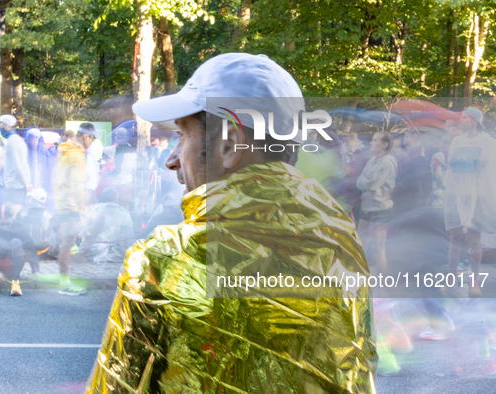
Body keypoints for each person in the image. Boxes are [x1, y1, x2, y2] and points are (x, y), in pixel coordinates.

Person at [85, 53, 376, 393]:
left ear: (228, 146)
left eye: (182, 136)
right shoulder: (341, 247)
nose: (172, 160)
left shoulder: (160, 263)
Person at [444, 107, 496, 296]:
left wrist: (480, 161)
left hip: (477, 194)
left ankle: (474, 282)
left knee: (473, 238)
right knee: (454, 237)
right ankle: (451, 278)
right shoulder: (457, 140)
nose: (460, 120)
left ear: (474, 121)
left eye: (464, 117)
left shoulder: (486, 141)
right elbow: (451, 163)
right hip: (458, 193)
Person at [53, 127, 94, 295]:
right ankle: (65, 283)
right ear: (86, 136)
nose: (92, 144)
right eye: (93, 139)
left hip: (61, 201)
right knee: (68, 243)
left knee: (66, 243)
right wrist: (82, 209)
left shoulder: (64, 149)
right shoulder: (77, 155)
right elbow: (76, 185)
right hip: (70, 205)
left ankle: (64, 281)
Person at [355, 131, 397, 275]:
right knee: (359, 246)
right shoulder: (372, 160)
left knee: (378, 250)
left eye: (375, 140)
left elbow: (372, 185)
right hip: (367, 208)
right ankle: (357, 282)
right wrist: (366, 181)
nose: (371, 143)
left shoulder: (387, 162)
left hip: (380, 210)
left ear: (384, 145)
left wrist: (366, 182)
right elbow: (359, 180)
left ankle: (383, 289)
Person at [78, 188, 133, 264]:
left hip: (95, 253)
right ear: (114, 199)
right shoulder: (123, 211)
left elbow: (87, 233)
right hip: (118, 254)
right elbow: (129, 235)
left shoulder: (94, 210)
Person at [2, 116, 32, 217]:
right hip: (18, 184)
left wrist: (26, 183)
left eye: (1, 124)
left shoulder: (12, 141)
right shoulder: (17, 140)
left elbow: (17, 165)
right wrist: (27, 182)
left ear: (6, 126)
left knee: (13, 215)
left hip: (15, 185)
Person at [24, 127, 56, 209]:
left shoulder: (44, 154)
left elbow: (49, 169)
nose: (34, 140)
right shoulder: (24, 152)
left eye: (36, 138)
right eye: (31, 138)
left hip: (41, 186)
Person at [107, 127, 137, 209]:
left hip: (118, 182)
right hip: (129, 182)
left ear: (116, 136)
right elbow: (134, 169)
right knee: (126, 205)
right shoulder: (133, 151)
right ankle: (126, 220)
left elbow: (104, 152)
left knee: (117, 206)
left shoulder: (113, 149)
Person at [81, 123, 103, 206]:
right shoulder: (76, 153)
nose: (92, 142)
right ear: (86, 137)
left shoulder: (87, 154)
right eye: (92, 139)